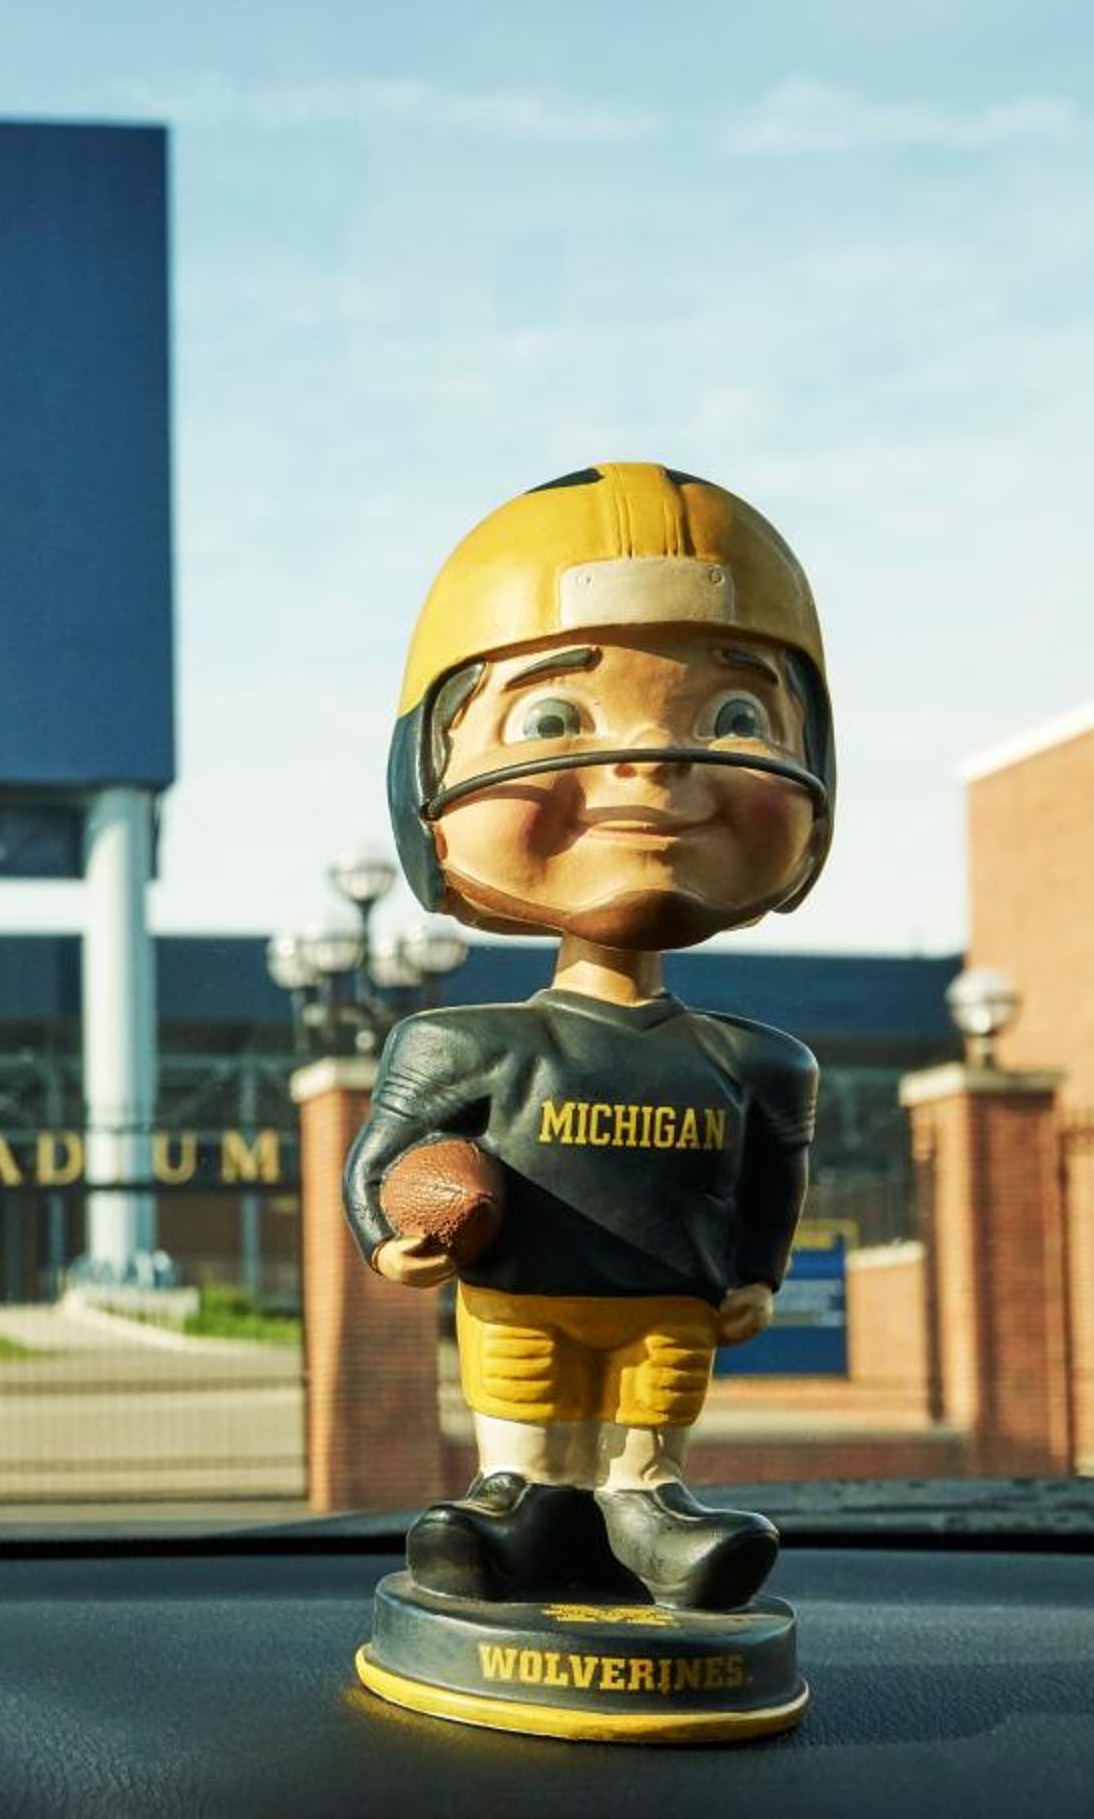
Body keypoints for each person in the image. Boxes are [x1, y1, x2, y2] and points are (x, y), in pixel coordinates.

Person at [343, 462, 830, 1610]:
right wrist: (393, 1232)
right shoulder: (461, 1045)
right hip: (522, 1296)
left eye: (736, 718)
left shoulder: (759, 1063)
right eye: (553, 718)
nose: (650, 762)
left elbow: (775, 1181)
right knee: (523, 1426)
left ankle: (648, 1509)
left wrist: (758, 1273)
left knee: (645, 1439)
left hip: (669, 1303)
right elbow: (381, 1158)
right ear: (431, 772)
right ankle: (512, 1499)